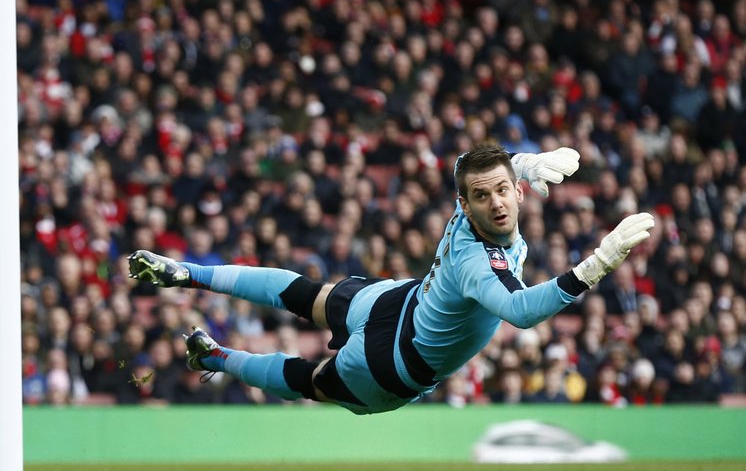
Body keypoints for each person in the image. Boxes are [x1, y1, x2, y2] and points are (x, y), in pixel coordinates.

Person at [128, 144, 655, 415]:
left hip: (397, 305)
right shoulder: (478, 261)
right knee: (314, 381)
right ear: (463, 203)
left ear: (518, 191)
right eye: (482, 195)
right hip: (396, 360)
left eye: (503, 190)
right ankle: (214, 357)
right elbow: (520, 312)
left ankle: (187, 274)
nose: (494, 202)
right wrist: (597, 264)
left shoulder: (475, 198)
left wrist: (526, 161)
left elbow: (470, 165)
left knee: (304, 293)